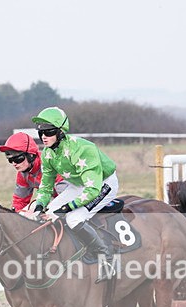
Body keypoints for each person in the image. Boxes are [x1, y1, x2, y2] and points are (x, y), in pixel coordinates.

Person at [30, 107, 119, 281]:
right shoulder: (48, 153)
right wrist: (40, 205)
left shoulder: (82, 149)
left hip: (102, 183)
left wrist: (66, 208)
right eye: (40, 132)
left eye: (48, 132)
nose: (43, 137)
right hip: (78, 184)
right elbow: (46, 186)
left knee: (73, 218)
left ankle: (107, 259)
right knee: (45, 213)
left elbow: (92, 190)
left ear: (60, 132)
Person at [0, 131, 65, 212]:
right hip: (51, 198)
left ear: (31, 155)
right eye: (10, 160)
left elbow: (66, 195)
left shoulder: (49, 162)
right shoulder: (22, 174)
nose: (14, 164)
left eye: (18, 159)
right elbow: (20, 201)